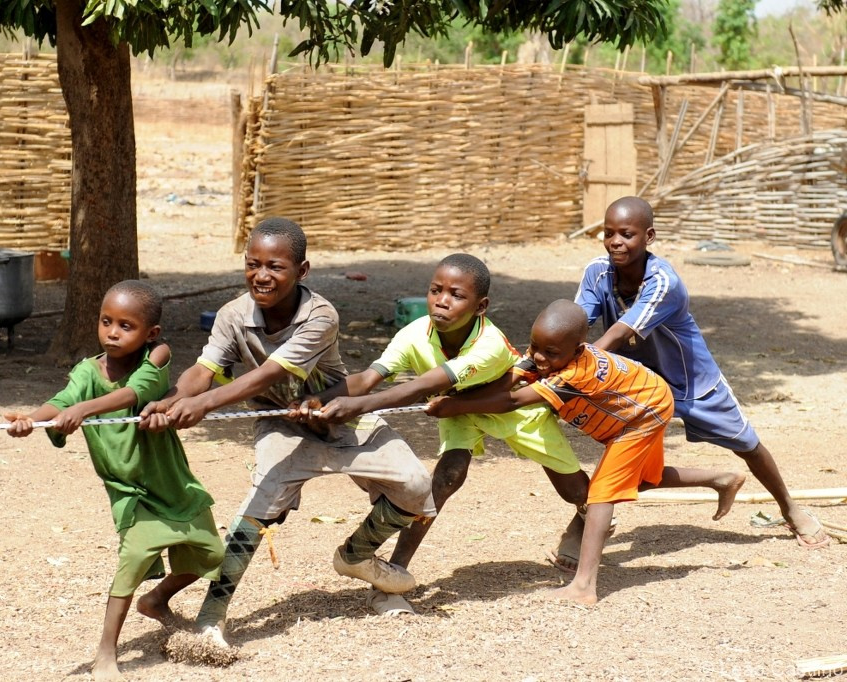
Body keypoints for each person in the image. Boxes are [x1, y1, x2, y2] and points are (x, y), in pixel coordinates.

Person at [139, 217, 435, 647]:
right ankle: (210, 620)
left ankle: (356, 556)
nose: (261, 275)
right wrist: (172, 400)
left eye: (275, 266)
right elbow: (204, 370)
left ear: (302, 270)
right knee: (258, 507)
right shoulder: (232, 315)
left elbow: (269, 374)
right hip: (280, 423)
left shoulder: (321, 315)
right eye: (252, 264)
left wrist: (202, 405)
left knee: (416, 483)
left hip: (339, 415)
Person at [298, 253, 592, 615]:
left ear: (480, 306)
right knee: (445, 479)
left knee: (575, 492)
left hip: (510, 406)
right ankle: (392, 576)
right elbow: (367, 378)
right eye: (435, 290)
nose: (442, 300)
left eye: (456, 294)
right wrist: (321, 398)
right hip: (457, 409)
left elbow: (422, 386)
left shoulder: (489, 344)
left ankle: (587, 517)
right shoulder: (413, 335)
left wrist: (358, 406)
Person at [427, 299, 746, 605]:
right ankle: (721, 478)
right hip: (639, 403)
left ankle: (584, 586)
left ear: (577, 350)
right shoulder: (548, 352)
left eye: (550, 353)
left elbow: (513, 400)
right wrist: (457, 398)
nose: (539, 358)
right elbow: (509, 381)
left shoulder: (576, 374)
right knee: (641, 479)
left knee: (601, 494)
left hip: (642, 415)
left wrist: (457, 407)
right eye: (535, 346)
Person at [574, 196, 829, 556]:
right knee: (621, 456)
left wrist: (577, 369)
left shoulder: (663, 282)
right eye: (609, 233)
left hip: (692, 381)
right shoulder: (597, 272)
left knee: (747, 445)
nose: (615, 242)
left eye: (627, 234)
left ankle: (790, 508)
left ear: (649, 236)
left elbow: (617, 334)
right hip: (638, 384)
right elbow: (575, 324)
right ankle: (580, 530)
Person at [5, 280, 224, 682]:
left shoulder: (157, 355)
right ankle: (105, 653)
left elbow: (134, 394)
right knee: (132, 562)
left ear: (151, 332)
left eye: (126, 325)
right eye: (106, 321)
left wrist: (84, 409)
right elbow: (61, 402)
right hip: (130, 489)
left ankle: (156, 600)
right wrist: (31, 421)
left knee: (210, 553)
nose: (112, 333)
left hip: (171, 481)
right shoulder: (87, 372)